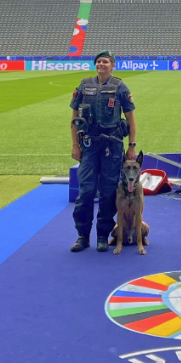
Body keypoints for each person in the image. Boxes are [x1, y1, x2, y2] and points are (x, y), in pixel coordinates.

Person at [70, 50, 137, 253]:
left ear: (112, 65)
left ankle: (102, 236)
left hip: (112, 147)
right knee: (86, 191)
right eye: (98, 61)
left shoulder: (120, 87)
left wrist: (131, 146)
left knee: (108, 193)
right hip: (89, 146)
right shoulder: (84, 85)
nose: (101, 64)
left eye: (105, 61)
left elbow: (131, 120)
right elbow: (74, 119)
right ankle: (82, 236)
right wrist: (75, 145)